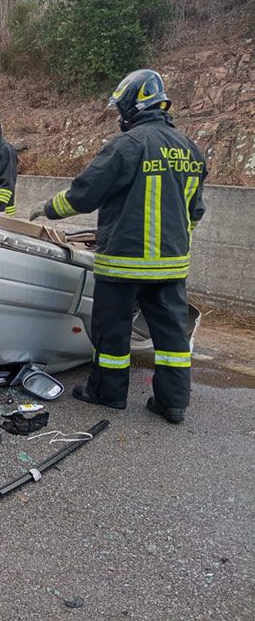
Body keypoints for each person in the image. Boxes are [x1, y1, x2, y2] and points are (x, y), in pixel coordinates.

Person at [29, 69, 206, 423]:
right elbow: (195, 211)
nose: (119, 116)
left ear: (132, 105)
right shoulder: (191, 149)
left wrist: (48, 210)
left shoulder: (128, 145)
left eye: (120, 108)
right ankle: (173, 404)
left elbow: (85, 193)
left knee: (113, 331)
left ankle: (108, 394)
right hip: (171, 265)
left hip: (124, 262)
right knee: (171, 337)